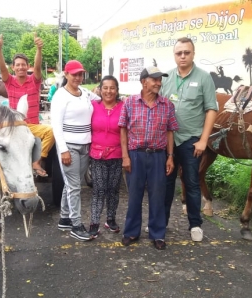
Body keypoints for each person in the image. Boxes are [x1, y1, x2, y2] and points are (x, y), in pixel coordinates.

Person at [161, 37, 218, 242]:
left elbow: (211, 109)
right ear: (174, 55)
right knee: (166, 183)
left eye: (187, 52)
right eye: (179, 53)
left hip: (191, 140)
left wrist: (204, 140)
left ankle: (195, 224)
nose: (183, 56)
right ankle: (162, 223)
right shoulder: (166, 77)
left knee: (192, 182)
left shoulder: (204, 78)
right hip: (167, 141)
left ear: (193, 54)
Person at [118, 66, 178, 250]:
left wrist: (170, 156)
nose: (159, 83)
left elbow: (170, 132)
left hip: (158, 156)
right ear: (144, 82)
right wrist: (125, 156)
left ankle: (158, 234)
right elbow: (123, 130)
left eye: (160, 80)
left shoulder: (167, 105)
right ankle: (131, 232)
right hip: (135, 155)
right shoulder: (129, 103)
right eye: (155, 80)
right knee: (135, 195)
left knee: (158, 196)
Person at [51, 60, 100, 241]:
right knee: (74, 186)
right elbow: (55, 125)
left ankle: (65, 218)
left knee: (73, 183)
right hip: (69, 146)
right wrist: (63, 150)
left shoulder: (84, 93)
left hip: (85, 145)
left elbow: (101, 99)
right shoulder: (60, 96)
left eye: (80, 74)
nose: (78, 77)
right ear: (66, 75)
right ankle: (76, 225)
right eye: (74, 74)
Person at [0, 33, 54, 177]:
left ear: (28, 66)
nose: (21, 67)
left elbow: (38, 68)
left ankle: (37, 161)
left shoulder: (34, 80)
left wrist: (39, 49)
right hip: (14, 126)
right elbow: (2, 69)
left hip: (31, 126)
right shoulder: (9, 81)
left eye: (23, 65)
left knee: (51, 132)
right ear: (13, 67)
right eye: (18, 65)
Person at [89, 75, 124, 236]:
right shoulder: (92, 106)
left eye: (112, 88)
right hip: (97, 155)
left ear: (117, 90)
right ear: (100, 89)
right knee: (99, 189)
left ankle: (110, 219)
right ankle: (94, 221)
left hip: (117, 154)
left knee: (113, 190)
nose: (108, 91)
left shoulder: (124, 107)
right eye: (105, 88)